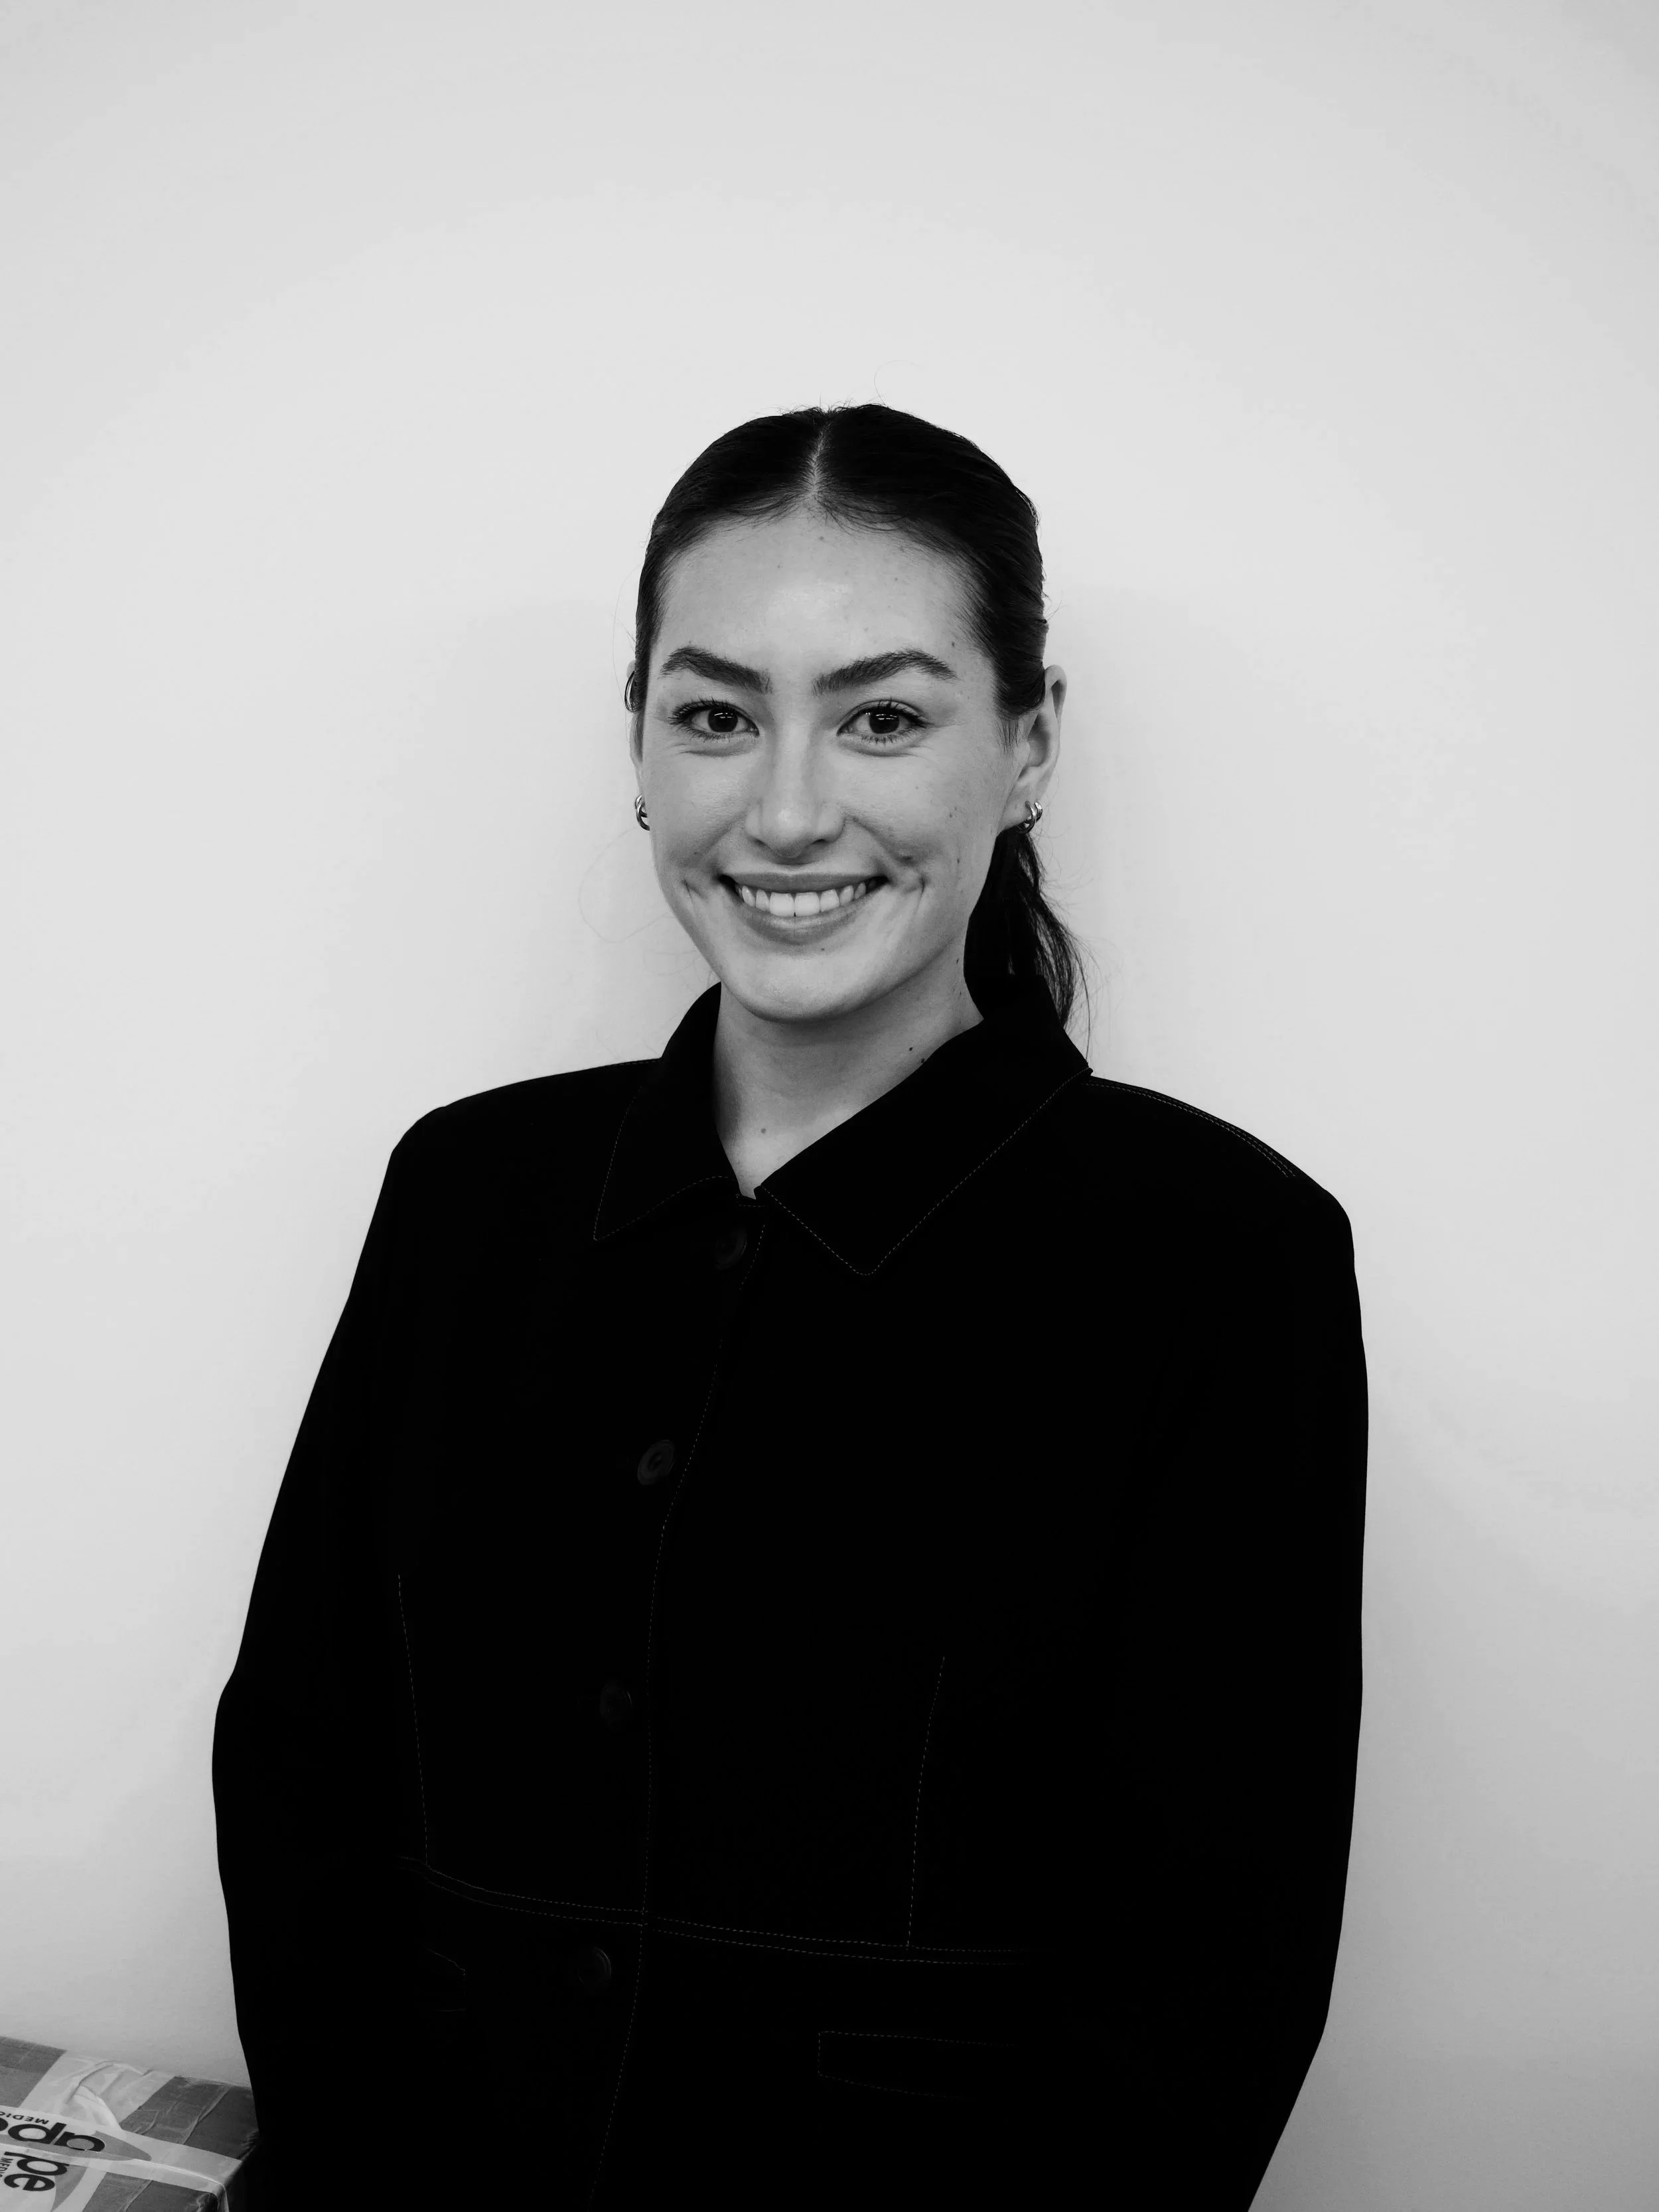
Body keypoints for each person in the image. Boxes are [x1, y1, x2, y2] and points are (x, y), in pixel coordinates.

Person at [214, 404, 1367, 2207]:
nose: (788, 807)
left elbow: (1202, 1979)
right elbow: (301, 1765)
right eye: (715, 713)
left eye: (884, 715)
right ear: (641, 747)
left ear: (1029, 742)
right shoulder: (471, 1190)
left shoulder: (1220, 1255)